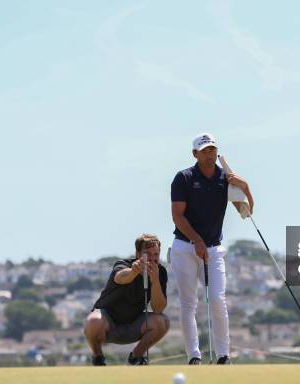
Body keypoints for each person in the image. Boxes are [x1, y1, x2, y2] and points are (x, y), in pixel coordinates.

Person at [170, 133, 254, 365]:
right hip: (184, 247)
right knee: (189, 303)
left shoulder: (225, 178)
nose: (209, 155)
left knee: (217, 299)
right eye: (204, 151)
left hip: (214, 249)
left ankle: (223, 355)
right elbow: (178, 216)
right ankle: (194, 356)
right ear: (195, 154)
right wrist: (197, 240)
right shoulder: (184, 178)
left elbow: (246, 213)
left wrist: (245, 187)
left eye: (212, 150)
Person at [84, 234, 169, 366]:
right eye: (147, 254)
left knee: (162, 321)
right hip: (108, 322)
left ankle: (137, 356)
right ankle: (98, 357)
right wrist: (133, 272)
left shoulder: (161, 272)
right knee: (93, 321)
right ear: (137, 254)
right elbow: (120, 277)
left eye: (156, 254)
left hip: (134, 324)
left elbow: (158, 308)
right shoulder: (123, 264)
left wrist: (155, 281)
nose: (152, 259)